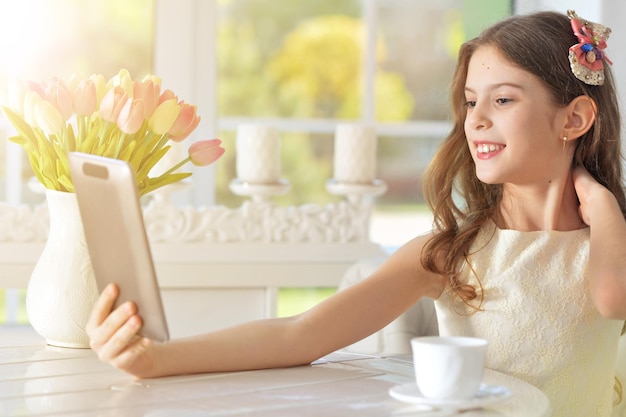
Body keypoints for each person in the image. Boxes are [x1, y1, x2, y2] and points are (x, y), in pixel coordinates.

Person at [86, 10, 626, 417]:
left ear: (575, 118)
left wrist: (601, 204)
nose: (476, 120)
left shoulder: (612, 242)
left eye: (503, 100)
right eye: (469, 100)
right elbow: (298, 335)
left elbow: (611, 297)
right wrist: (157, 359)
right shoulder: (447, 255)